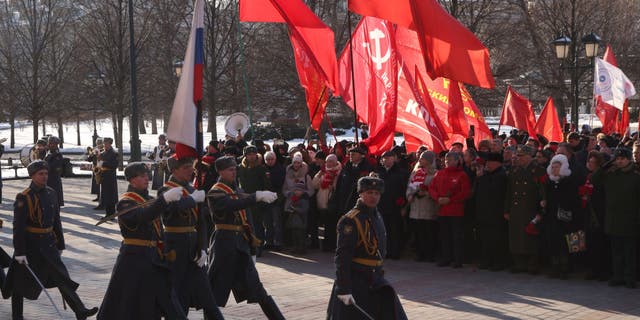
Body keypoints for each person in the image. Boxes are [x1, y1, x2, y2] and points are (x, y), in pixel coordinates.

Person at [3, 160, 98, 320]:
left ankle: (80, 311)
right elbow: (18, 227)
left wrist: (60, 244)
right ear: (32, 176)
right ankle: (17, 316)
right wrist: (19, 252)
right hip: (31, 247)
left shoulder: (51, 193)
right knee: (19, 283)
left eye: (46, 173)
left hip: (48, 244)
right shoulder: (24, 197)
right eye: (41, 174)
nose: (44, 176)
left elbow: (56, 221)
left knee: (62, 278)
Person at [98, 162, 187, 320]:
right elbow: (143, 216)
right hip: (134, 260)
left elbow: (159, 226)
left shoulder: (149, 199)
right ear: (132, 180)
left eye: (147, 175)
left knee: (168, 302)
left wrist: (189, 199)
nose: (147, 178)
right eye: (141, 176)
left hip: (154, 259)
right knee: (128, 305)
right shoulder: (125, 203)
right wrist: (164, 199)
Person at [206, 156, 284, 319]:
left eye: (235, 169)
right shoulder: (215, 192)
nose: (234, 172)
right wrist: (255, 196)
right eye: (230, 170)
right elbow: (231, 205)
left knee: (257, 287)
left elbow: (247, 219)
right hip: (224, 245)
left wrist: (253, 247)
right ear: (220, 172)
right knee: (216, 290)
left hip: (241, 245)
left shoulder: (237, 190)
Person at [327, 176, 407, 320]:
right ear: (361, 193)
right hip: (356, 281)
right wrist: (344, 288)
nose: (373, 197)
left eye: (377, 193)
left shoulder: (377, 215)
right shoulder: (351, 220)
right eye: (369, 192)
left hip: (375, 279)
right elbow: (342, 257)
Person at [158, 155, 224, 319]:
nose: (191, 170)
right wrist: (191, 199)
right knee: (178, 291)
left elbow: (200, 222)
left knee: (206, 293)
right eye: (186, 167)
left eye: (191, 166)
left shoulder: (192, 189)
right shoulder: (166, 190)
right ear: (174, 170)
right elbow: (172, 209)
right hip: (175, 244)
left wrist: (202, 248)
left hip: (193, 244)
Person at [591, 148, 640, 288]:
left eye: (622, 159)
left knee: (629, 252)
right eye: (617, 159)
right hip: (613, 219)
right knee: (616, 251)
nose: (619, 161)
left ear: (629, 159)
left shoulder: (636, 176)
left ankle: (630, 278)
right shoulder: (611, 174)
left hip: (630, 219)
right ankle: (617, 276)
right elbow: (594, 180)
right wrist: (604, 166)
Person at [504, 145, 547, 274]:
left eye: (521, 156)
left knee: (530, 238)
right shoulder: (514, 170)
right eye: (518, 155)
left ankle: (532, 265)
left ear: (529, 156)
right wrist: (506, 210)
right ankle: (519, 264)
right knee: (516, 237)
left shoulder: (539, 171)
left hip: (531, 208)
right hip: (516, 208)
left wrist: (541, 210)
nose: (518, 158)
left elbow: (543, 191)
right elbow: (509, 192)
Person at [429, 152, 471, 268]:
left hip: (456, 210)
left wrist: (451, 199)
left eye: (451, 160)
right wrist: (438, 198)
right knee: (444, 235)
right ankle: (446, 258)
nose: (448, 162)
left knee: (456, 236)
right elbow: (432, 188)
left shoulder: (462, 175)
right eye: (447, 161)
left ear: (457, 161)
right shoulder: (440, 173)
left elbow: (465, 192)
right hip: (442, 209)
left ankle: (458, 259)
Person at [542, 154, 582, 279]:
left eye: (557, 167)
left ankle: (565, 268)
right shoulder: (549, 182)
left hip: (566, 218)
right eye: (552, 167)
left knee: (565, 243)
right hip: (552, 217)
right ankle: (555, 267)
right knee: (553, 242)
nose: (554, 169)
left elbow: (574, 200)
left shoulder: (569, 181)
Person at [326, 146, 373, 251]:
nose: (351, 156)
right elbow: (339, 185)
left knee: (357, 227)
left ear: (361, 156)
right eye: (350, 154)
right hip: (343, 202)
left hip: (356, 203)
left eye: (354, 154)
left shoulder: (366, 169)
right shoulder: (346, 167)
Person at [474, 152, 508, 271]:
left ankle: (498, 262)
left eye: (489, 162)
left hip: (496, 213)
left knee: (496, 239)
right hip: (484, 212)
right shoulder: (487, 174)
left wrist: (482, 178)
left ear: (496, 162)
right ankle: (486, 260)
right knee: (485, 238)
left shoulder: (501, 175)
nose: (486, 164)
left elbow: (493, 192)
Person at [237, 145, 270, 256]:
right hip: (244, 200)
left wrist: (262, 198)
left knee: (257, 225)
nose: (251, 157)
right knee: (246, 224)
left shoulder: (261, 168)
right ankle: (248, 246)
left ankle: (258, 246)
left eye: (253, 154)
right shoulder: (240, 168)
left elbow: (266, 185)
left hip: (257, 200)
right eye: (249, 154)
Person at [375, 150, 409, 259]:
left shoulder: (401, 172)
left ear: (394, 159)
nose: (386, 160)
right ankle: (385, 251)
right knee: (383, 230)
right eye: (384, 158)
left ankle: (395, 252)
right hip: (382, 205)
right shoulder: (379, 172)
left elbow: (404, 190)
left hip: (396, 206)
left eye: (388, 158)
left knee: (395, 230)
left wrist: (404, 205)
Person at [406, 151, 438, 262]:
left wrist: (427, 193)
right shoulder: (415, 172)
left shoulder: (435, 173)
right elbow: (410, 186)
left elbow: (436, 189)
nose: (420, 160)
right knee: (418, 232)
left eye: (423, 158)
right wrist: (409, 195)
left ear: (429, 160)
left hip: (428, 207)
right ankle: (420, 253)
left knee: (428, 232)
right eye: (420, 158)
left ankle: (430, 254)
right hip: (416, 207)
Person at [282, 152, 314, 254]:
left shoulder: (306, 176)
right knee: (292, 227)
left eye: (298, 163)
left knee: (302, 227)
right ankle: (294, 246)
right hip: (291, 202)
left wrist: (303, 194)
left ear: (301, 164)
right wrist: (290, 194)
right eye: (294, 163)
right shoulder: (287, 175)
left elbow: (311, 190)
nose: (296, 165)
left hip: (302, 202)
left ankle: (302, 247)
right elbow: (284, 189)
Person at [96, 137, 118, 217]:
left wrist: (103, 163)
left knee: (110, 196)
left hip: (110, 176)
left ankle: (111, 214)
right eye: (104, 143)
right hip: (104, 176)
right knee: (105, 195)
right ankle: (108, 213)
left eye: (106, 143)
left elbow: (114, 165)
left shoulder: (114, 153)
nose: (104, 145)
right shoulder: (103, 153)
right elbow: (99, 163)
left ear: (110, 144)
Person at [44, 136, 65, 207]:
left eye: (52, 143)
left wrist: (44, 165)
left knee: (55, 203)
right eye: (49, 143)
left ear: (56, 145)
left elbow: (53, 167)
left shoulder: (57, 155)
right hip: (47, 180)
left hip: (54, 181)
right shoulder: (49, 153)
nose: (50, 145)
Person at [87, 138, 104, 202]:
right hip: (95, 168)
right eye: (97, 143)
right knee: (96, 183)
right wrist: (90, 154)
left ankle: (101, 196)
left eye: (100, 143)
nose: (99, 144)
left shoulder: (104, 150)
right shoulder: (95, 149)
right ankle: (98, 196)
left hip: (101, 168)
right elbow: (89, 160)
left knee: (100, 183)